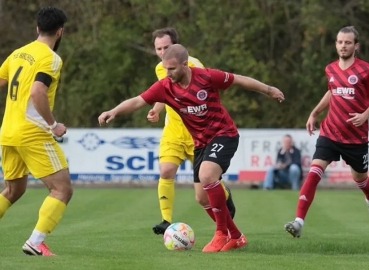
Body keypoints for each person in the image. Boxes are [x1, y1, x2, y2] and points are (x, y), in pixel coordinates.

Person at [98, 44, 284, 252]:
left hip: (224, 134)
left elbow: (239, 80)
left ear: (185, 65)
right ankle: (237, 236)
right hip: (201, 143)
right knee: (201, 197)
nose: (167, 74)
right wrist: (113, 111)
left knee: (206, 175)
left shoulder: (206, 76)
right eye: (165, 69)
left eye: (171, 69)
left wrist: (268, 90)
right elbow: (138, 101)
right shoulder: (165, 86)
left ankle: (220, 233)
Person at [147, 27, 236, 235]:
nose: (161, 53)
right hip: (173, 131)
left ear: (177, 48)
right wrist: (156, 109)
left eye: (166, 47)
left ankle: (225, 204)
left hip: (196, 133)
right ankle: (166, 220)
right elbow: (166, 90)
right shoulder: (161, 68)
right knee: (166, 170)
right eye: (158, 49)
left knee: (206, 183)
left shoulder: (193, 65)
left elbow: (202, 91)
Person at [284, 26, 369, 238]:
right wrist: (314, 113)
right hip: (330, 133)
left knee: (361, 180)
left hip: (356, 138)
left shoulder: (365, 70)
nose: (343, 46)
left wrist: (365, 115)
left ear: (356, 46)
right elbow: (332, 92)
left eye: (348, 42)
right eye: (340, 42)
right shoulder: (330, 69)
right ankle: (299, 221)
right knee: (314, 172)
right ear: (336, 44)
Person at [0, 7, 72, 255]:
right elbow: (37, 92)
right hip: (32, 133)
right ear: (60, 31)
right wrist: (54, 125)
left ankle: (36, 241)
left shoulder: (18, 53)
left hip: (7, 132)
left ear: (37, 28)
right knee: (62, 189)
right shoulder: (51, 58)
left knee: (13, 190)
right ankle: (35, 242)